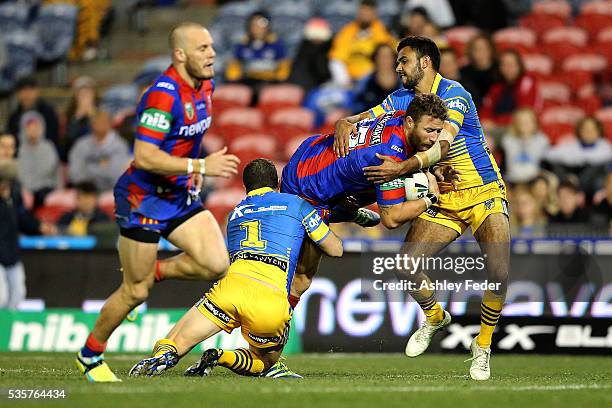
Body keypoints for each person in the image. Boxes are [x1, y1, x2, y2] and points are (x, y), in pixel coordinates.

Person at [333, 36, 509, 381]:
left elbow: (442, 145)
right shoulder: (400, 99)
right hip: (443, 195)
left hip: (483, 190)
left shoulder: (455, 94)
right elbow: (363, 118)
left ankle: (483, 345)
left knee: (499, 273)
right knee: (405, 265)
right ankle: (434, 317)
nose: (397, 68)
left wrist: (402, 168)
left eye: (403, 61)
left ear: (424, 62)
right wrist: (344, 121)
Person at [75, 22, 240, 382]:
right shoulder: (162, 95)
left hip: (178, 194)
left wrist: (190, 170)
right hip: (143, 199)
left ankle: (155, 271)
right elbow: (145, 156)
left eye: (212, 46)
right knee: (135, 292)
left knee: (216, 263)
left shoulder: (206, 85)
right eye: (202, 49)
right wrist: (200, 165)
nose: (212, 54)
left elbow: (188, 135)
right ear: (180, 55)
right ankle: (90, 354)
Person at [128, 158, 343, 378]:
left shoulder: (235, 214)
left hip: (230, 290)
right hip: (270, 299)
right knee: (263, 362)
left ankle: (162, 357)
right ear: (278, 182)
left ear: (245, 187)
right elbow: (335, 249)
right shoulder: (297, 204)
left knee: (175, 340)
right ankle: (221, 356)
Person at [282, 94, 456, 319]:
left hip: (312, 149)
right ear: (410, 122)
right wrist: (431, 199)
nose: (433, 139)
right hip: (309, 192)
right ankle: (271, 343)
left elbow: (351, 122)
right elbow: (391, 220)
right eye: (429, 130)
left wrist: (432, 170)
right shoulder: (389, 158)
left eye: (437, 132)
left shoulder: (397, 116)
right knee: (302, 279)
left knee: (375, 181)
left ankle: (348, 209)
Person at [328, 0, 396, 86]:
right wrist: (344, 81)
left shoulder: (383, 32)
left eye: (368, 11)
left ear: (375, 13)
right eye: (363, 11)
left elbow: (388, 58)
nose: (365, 14)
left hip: (375, 79)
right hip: (350, 81)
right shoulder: (347, 32)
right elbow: (336, 60)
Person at [544, 116, 612, 200]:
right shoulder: (572, 144)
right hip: (572, 176)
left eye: (592, 129)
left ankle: (579, 192)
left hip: (593, 180)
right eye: (585, 128)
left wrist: (576, 160)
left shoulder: (605, 146)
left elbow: (600, 159)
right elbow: (548, 154)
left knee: (596, 168)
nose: (589, 132)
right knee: (555, 165)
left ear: (599, 131)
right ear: (580, 131)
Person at [225, 11, 290, 97]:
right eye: (254, 24)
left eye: (262, 24)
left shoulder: (277, 44)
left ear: (268, 26)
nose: (257, 28)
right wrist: (234, 80)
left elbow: (284, 67)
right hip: (247, 81)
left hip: (270, 81)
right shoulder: (242, 45)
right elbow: (234, 67)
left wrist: (279, 80)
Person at [68, 108, 130, 192]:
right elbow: (75, 173)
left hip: (111, 190)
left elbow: (116, 174)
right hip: (85, 190)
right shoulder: (80, 144)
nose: (99, 124)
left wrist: (89, 168)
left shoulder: (120, 145)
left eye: (103, 121)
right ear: (91, 124)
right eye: (96, 121)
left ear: (110, 123)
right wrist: (102, 168)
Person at [480, 49, 541, 129]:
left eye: (512, 64)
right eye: (504, 64)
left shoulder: (527, 83)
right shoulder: (496, 87)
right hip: (497, 128)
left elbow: (525, 115)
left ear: (519, 66)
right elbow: (486, 110)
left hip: (519, 128)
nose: (508, 68)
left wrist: (496, 122)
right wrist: (484, 121)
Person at [16, 111, 61, 208]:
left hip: (46, 189)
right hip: (25, 190)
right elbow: (20, 174)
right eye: (29, 127)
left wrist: (59, 189)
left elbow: (56, 172)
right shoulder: (19, 150)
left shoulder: (49, 147)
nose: (33, 130)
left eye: (36, 127)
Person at [8, 76, 60, 151]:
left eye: (30, 90)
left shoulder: (48, 113)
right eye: (23, 90)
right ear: (18, 93)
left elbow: (53, 137)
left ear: (37, 91)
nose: (27, 94)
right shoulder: (14, 117)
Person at [500, 107, 549, 184]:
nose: (525, 124)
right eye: (522, 121)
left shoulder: (542, 140)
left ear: (535, 123)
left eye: (528, 121)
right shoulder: (508, 140)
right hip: (512, 179)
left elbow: (544, 164)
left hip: (534, 180)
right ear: (516, 123)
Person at [352, 44, 401, 113]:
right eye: (381, 57)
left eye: (388, 57)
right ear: (375, 59)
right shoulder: (365, 82)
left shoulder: (404, 82)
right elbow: (355, 106)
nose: (385, 61)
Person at [63, 76, 99, 160]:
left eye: (88, 94)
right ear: (76, 97)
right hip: (75, 156)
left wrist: (93, 116)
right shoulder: (69, 114)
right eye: (82, 94)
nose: (85, 98)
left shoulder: (101, 112)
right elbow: (68, 141)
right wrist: (76, 118)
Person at [460, 34, 497, 108]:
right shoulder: (464, 72)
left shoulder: (500, 69)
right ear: (471, 52)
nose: (480, 52)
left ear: (491, 50)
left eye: (484, 48)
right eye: (476, 49)